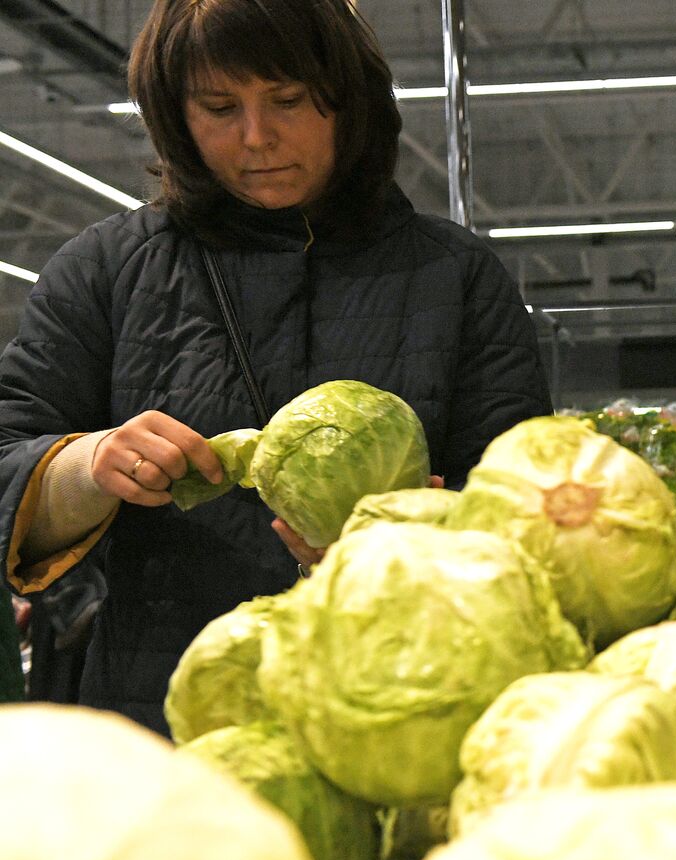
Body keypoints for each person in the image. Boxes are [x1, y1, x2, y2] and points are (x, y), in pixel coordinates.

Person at [0, 0, 552, 733]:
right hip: (168, 719)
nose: (257, 137)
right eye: (219, 107)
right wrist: (87, 463)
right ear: (175, 115)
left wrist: (414, 537)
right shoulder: (105, 271)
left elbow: (525, 512)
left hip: (401, 705)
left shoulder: (456, 279)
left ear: (347, 98)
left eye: (287, 100)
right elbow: (8, 460)